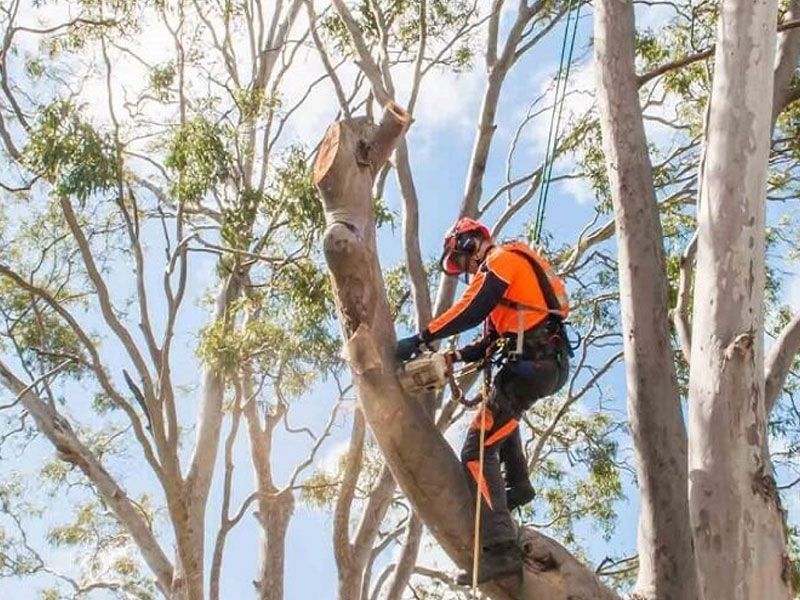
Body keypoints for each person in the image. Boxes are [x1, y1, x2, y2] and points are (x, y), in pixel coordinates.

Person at [395, 217, 571, 585]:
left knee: (476, 451)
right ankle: (519, 483)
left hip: (533, 365)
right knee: (499, 420)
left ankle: (501, 550)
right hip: (538, 364)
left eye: (460, 261)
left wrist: (422, 337)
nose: (463, 269)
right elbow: (486, 343)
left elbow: (470, 310)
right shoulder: (504, 285)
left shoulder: (503, 261)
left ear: (472, 242)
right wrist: (451, 358)